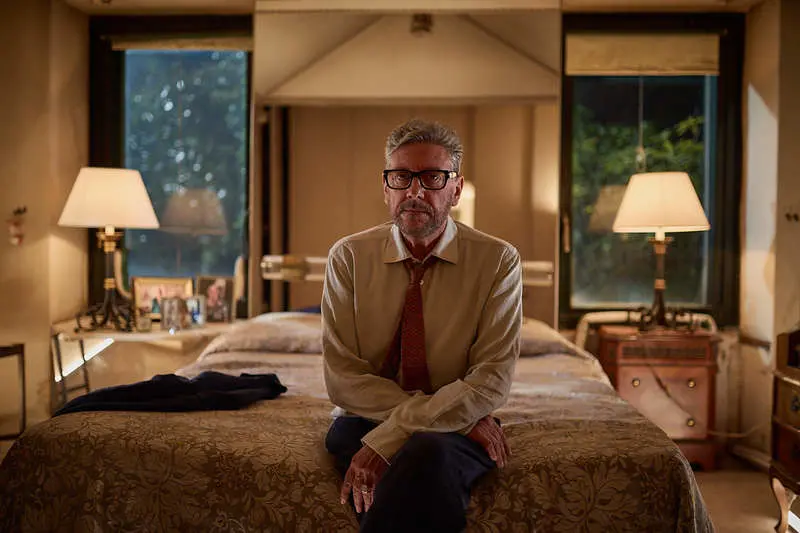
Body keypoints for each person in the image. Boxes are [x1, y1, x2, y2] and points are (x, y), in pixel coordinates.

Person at [322, 118, 523, 532]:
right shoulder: (348, 258)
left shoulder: (498, 261)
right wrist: (456, 417)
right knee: (421, 455)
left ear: (456, 189)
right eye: (401, 177)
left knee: (429, 453)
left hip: (452, 427)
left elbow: (491, 381)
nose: (414, 191)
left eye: (432, 178)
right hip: (375, 419)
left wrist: (386, 441)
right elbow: (343, 380)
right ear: (386, 188)